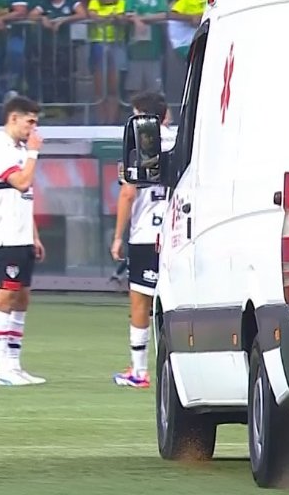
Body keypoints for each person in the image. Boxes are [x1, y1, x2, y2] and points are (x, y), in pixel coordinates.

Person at [110, 91, 175, 387]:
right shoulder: (181, 142)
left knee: (140, 300)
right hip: (177, 232)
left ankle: (139, 371)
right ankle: (174, 369)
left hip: (147, 233)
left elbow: (127, 193)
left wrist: (117, 237)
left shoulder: (139, 144)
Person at [0, 95, 47, 386]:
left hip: (21, 236)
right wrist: (33, 153)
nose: (33, 129)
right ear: (14, 118)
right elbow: (21, 182)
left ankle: (15, 365)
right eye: (30, 122)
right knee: (4, 298)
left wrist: (34, 235)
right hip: (4, 236)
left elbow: (24, 196)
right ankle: (2, 370)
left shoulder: (20, 150)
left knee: (22, 299)